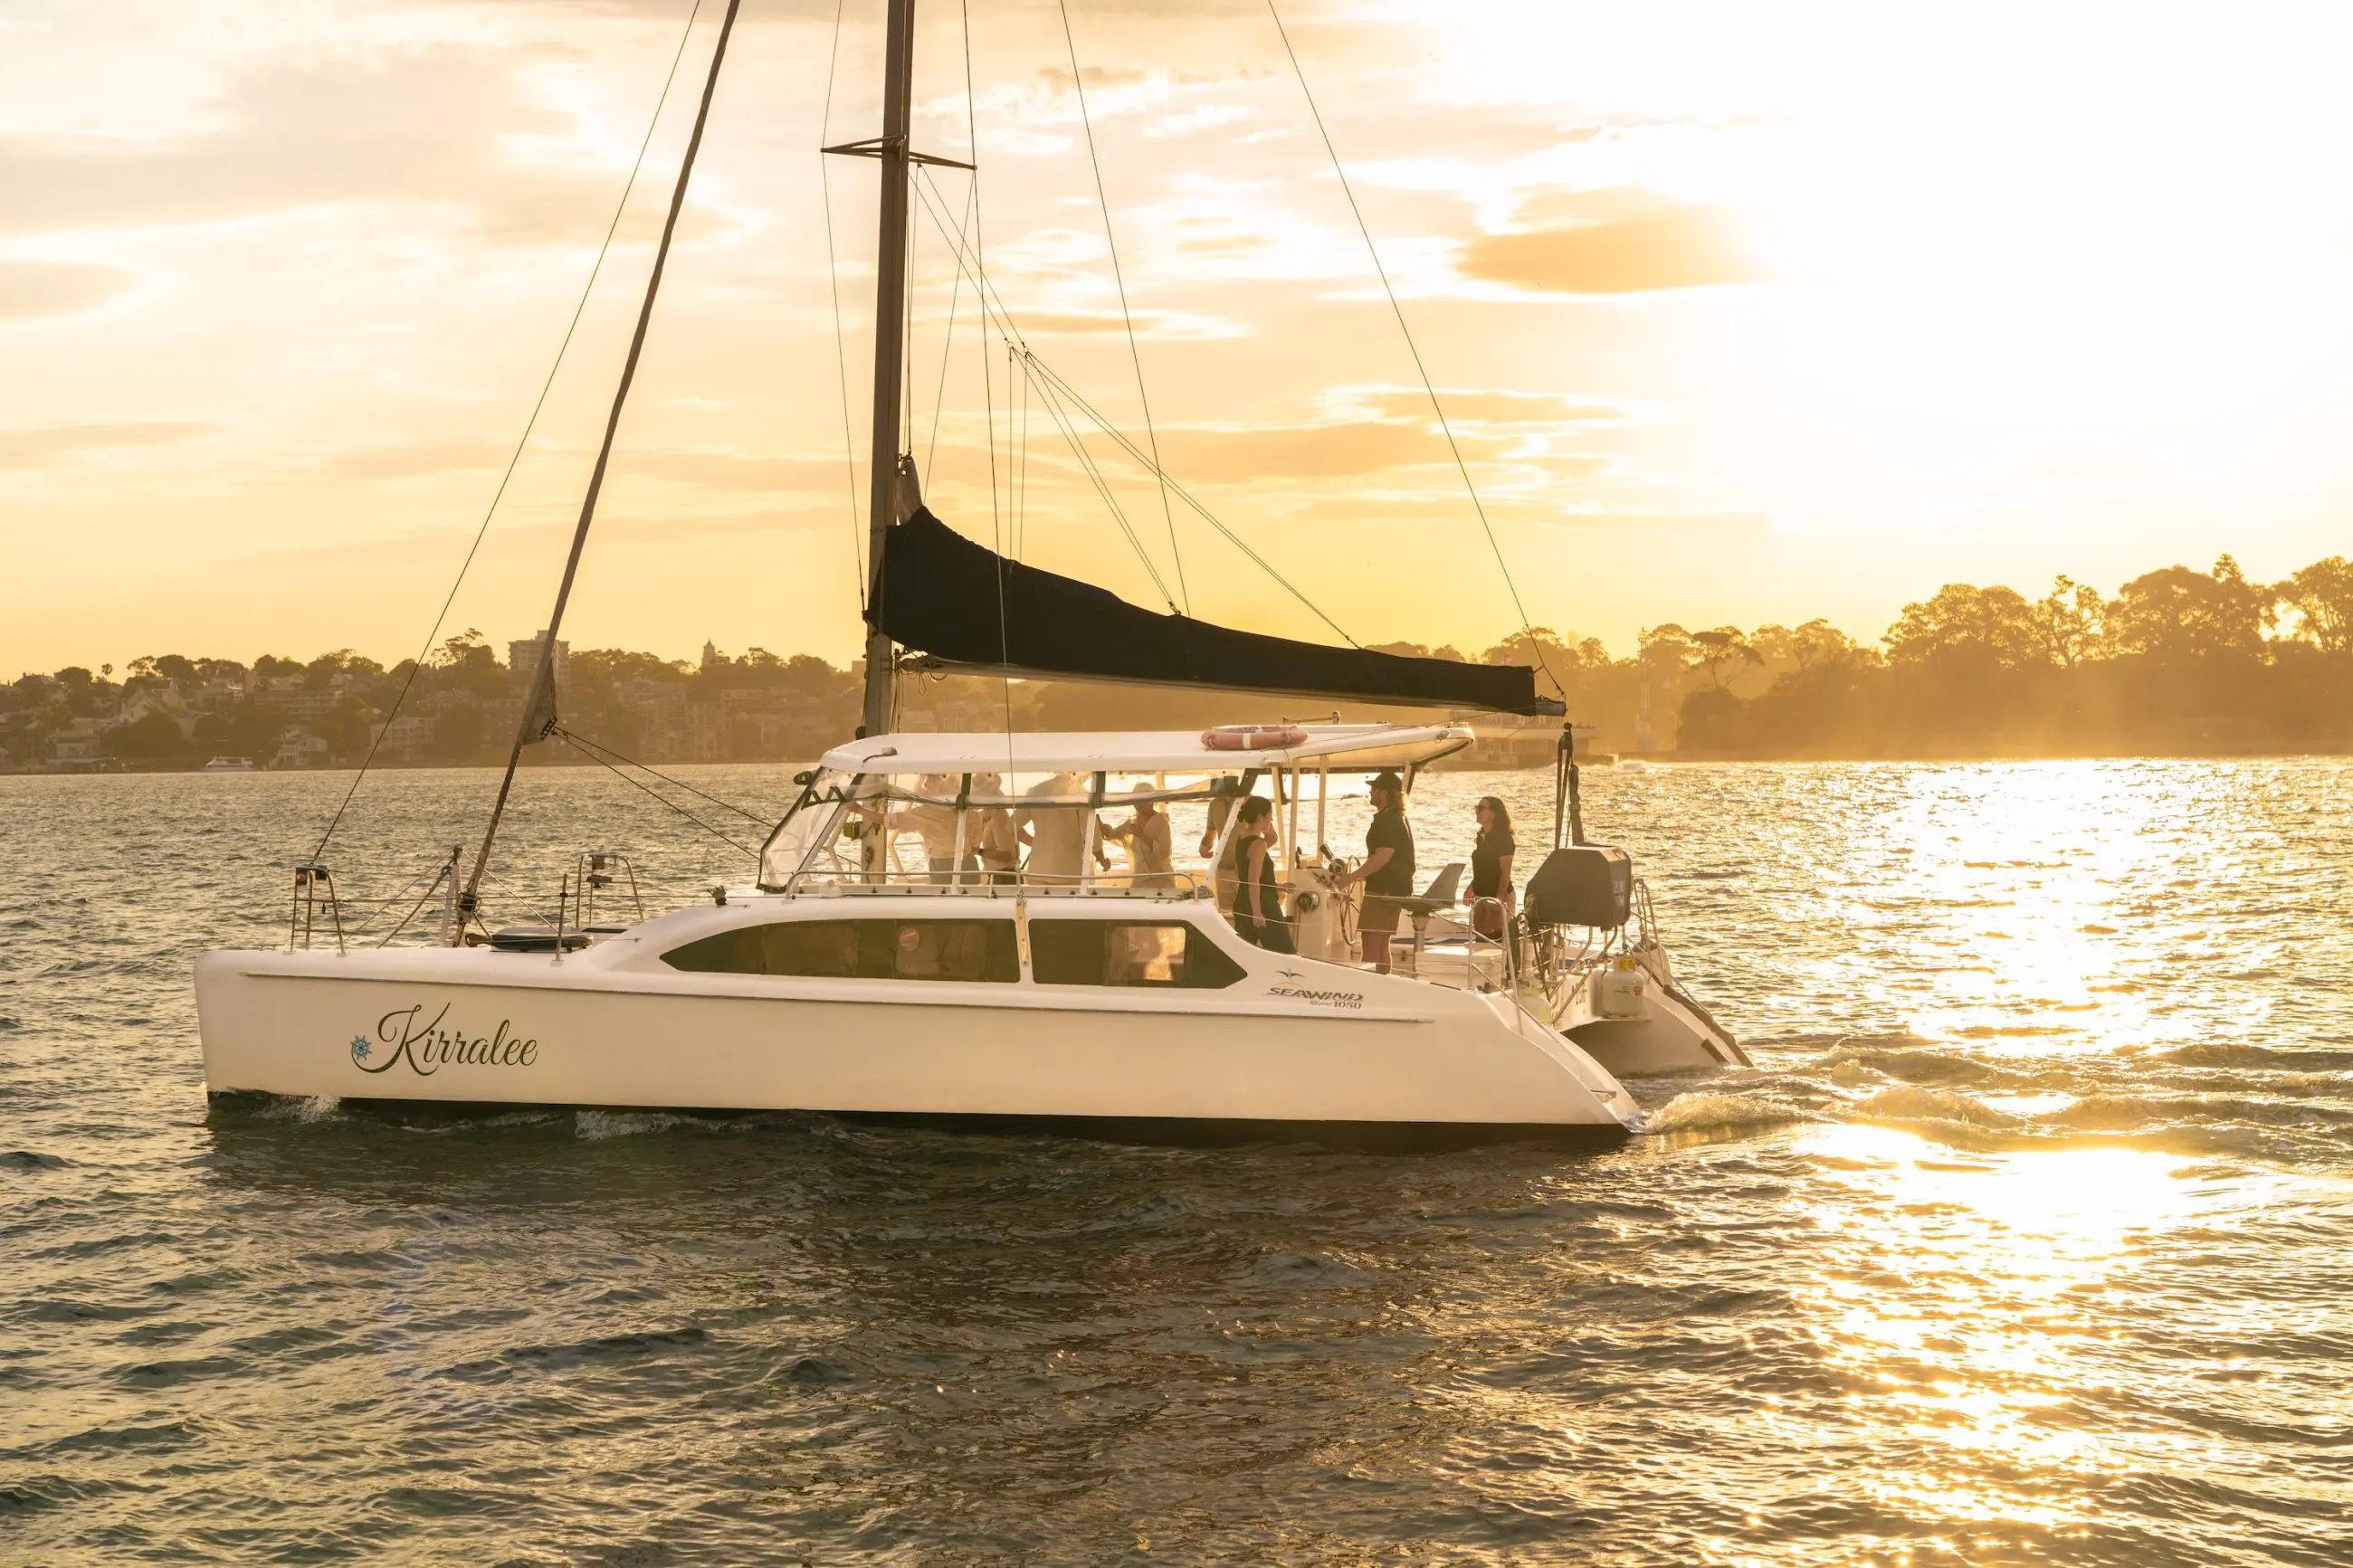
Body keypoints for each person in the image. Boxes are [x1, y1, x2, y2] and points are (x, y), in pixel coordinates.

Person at [1334, 770, 1413, 973]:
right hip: (1393, 889)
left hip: (1383, 889)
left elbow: (1382, 857)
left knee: (1370, 943)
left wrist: (1350, 878)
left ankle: (1367, 990)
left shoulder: (1388, 821)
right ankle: (1382, 988)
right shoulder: (1398, 818)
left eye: (1374, 789)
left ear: (1384, 793)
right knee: (1380, 944)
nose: (1371, 792)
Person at [1227, 797, 1292, 952]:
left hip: (1242, 902)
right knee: (1285, 952)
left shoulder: (1242, 838)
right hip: (1262, 904)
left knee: (1244, 953)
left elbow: (1244, 874)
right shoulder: (1259, 844)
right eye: (1270, 814)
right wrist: (1257, 912)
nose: (1272, 818)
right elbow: (1253, 880)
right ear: (1260, 817)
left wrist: (1277, 885)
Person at [1016, 771, 1089, 885]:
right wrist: (1102, 859)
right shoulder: (1081, 794)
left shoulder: (1035, 791)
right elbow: (1091, 834)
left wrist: (1036, 843)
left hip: (1038, 872)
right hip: (1070, 874)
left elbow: (1012, 826)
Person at [1467, 794, 1516, 938]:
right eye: (1477, 808)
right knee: (1480, 938)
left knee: (1494, 939)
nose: (1477, 811)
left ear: (1494, 814)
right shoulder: (1482, 837)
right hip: (1480, 895)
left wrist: (1498, 899)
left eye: (1481, 808)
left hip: (1497, 895)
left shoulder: (1504, 839)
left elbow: (1505, 874)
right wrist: (1471, 886)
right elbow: (1483, 868)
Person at [911, 774, 975, 884]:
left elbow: (916, 793)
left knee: (943, 893)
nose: (927, 785)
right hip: (962, 859)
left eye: (931, 781)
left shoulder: (940, 800)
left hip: (945, 860)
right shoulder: (933, 798)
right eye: (928, 782)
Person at [1100, 798, 1175, 889]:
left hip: (1161, 878)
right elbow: (1114, 835)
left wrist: (1141, 835)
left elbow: (1164, 852)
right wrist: (1100, 826)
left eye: (1143, 801)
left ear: (1152, 801)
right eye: (1136, 801)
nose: (1139, 805)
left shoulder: (1162, 821)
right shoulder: (1132, 822)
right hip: (1140, 878)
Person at [970, 773, 1020, 886]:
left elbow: (1007, 856)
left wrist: (978, 851)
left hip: (1004, 877)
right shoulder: (987, 813)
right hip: (995, 874)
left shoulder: (1000, 816)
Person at [1200, 794, 1239, 912]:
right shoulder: (1214, 804)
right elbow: (1211, 831)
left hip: (1246, 872)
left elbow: (1271, 837)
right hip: (1222, 870)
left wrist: (1251, 857)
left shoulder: (1251, 802)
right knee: (1226, 914)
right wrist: (1204, 846)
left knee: (1247, 914)